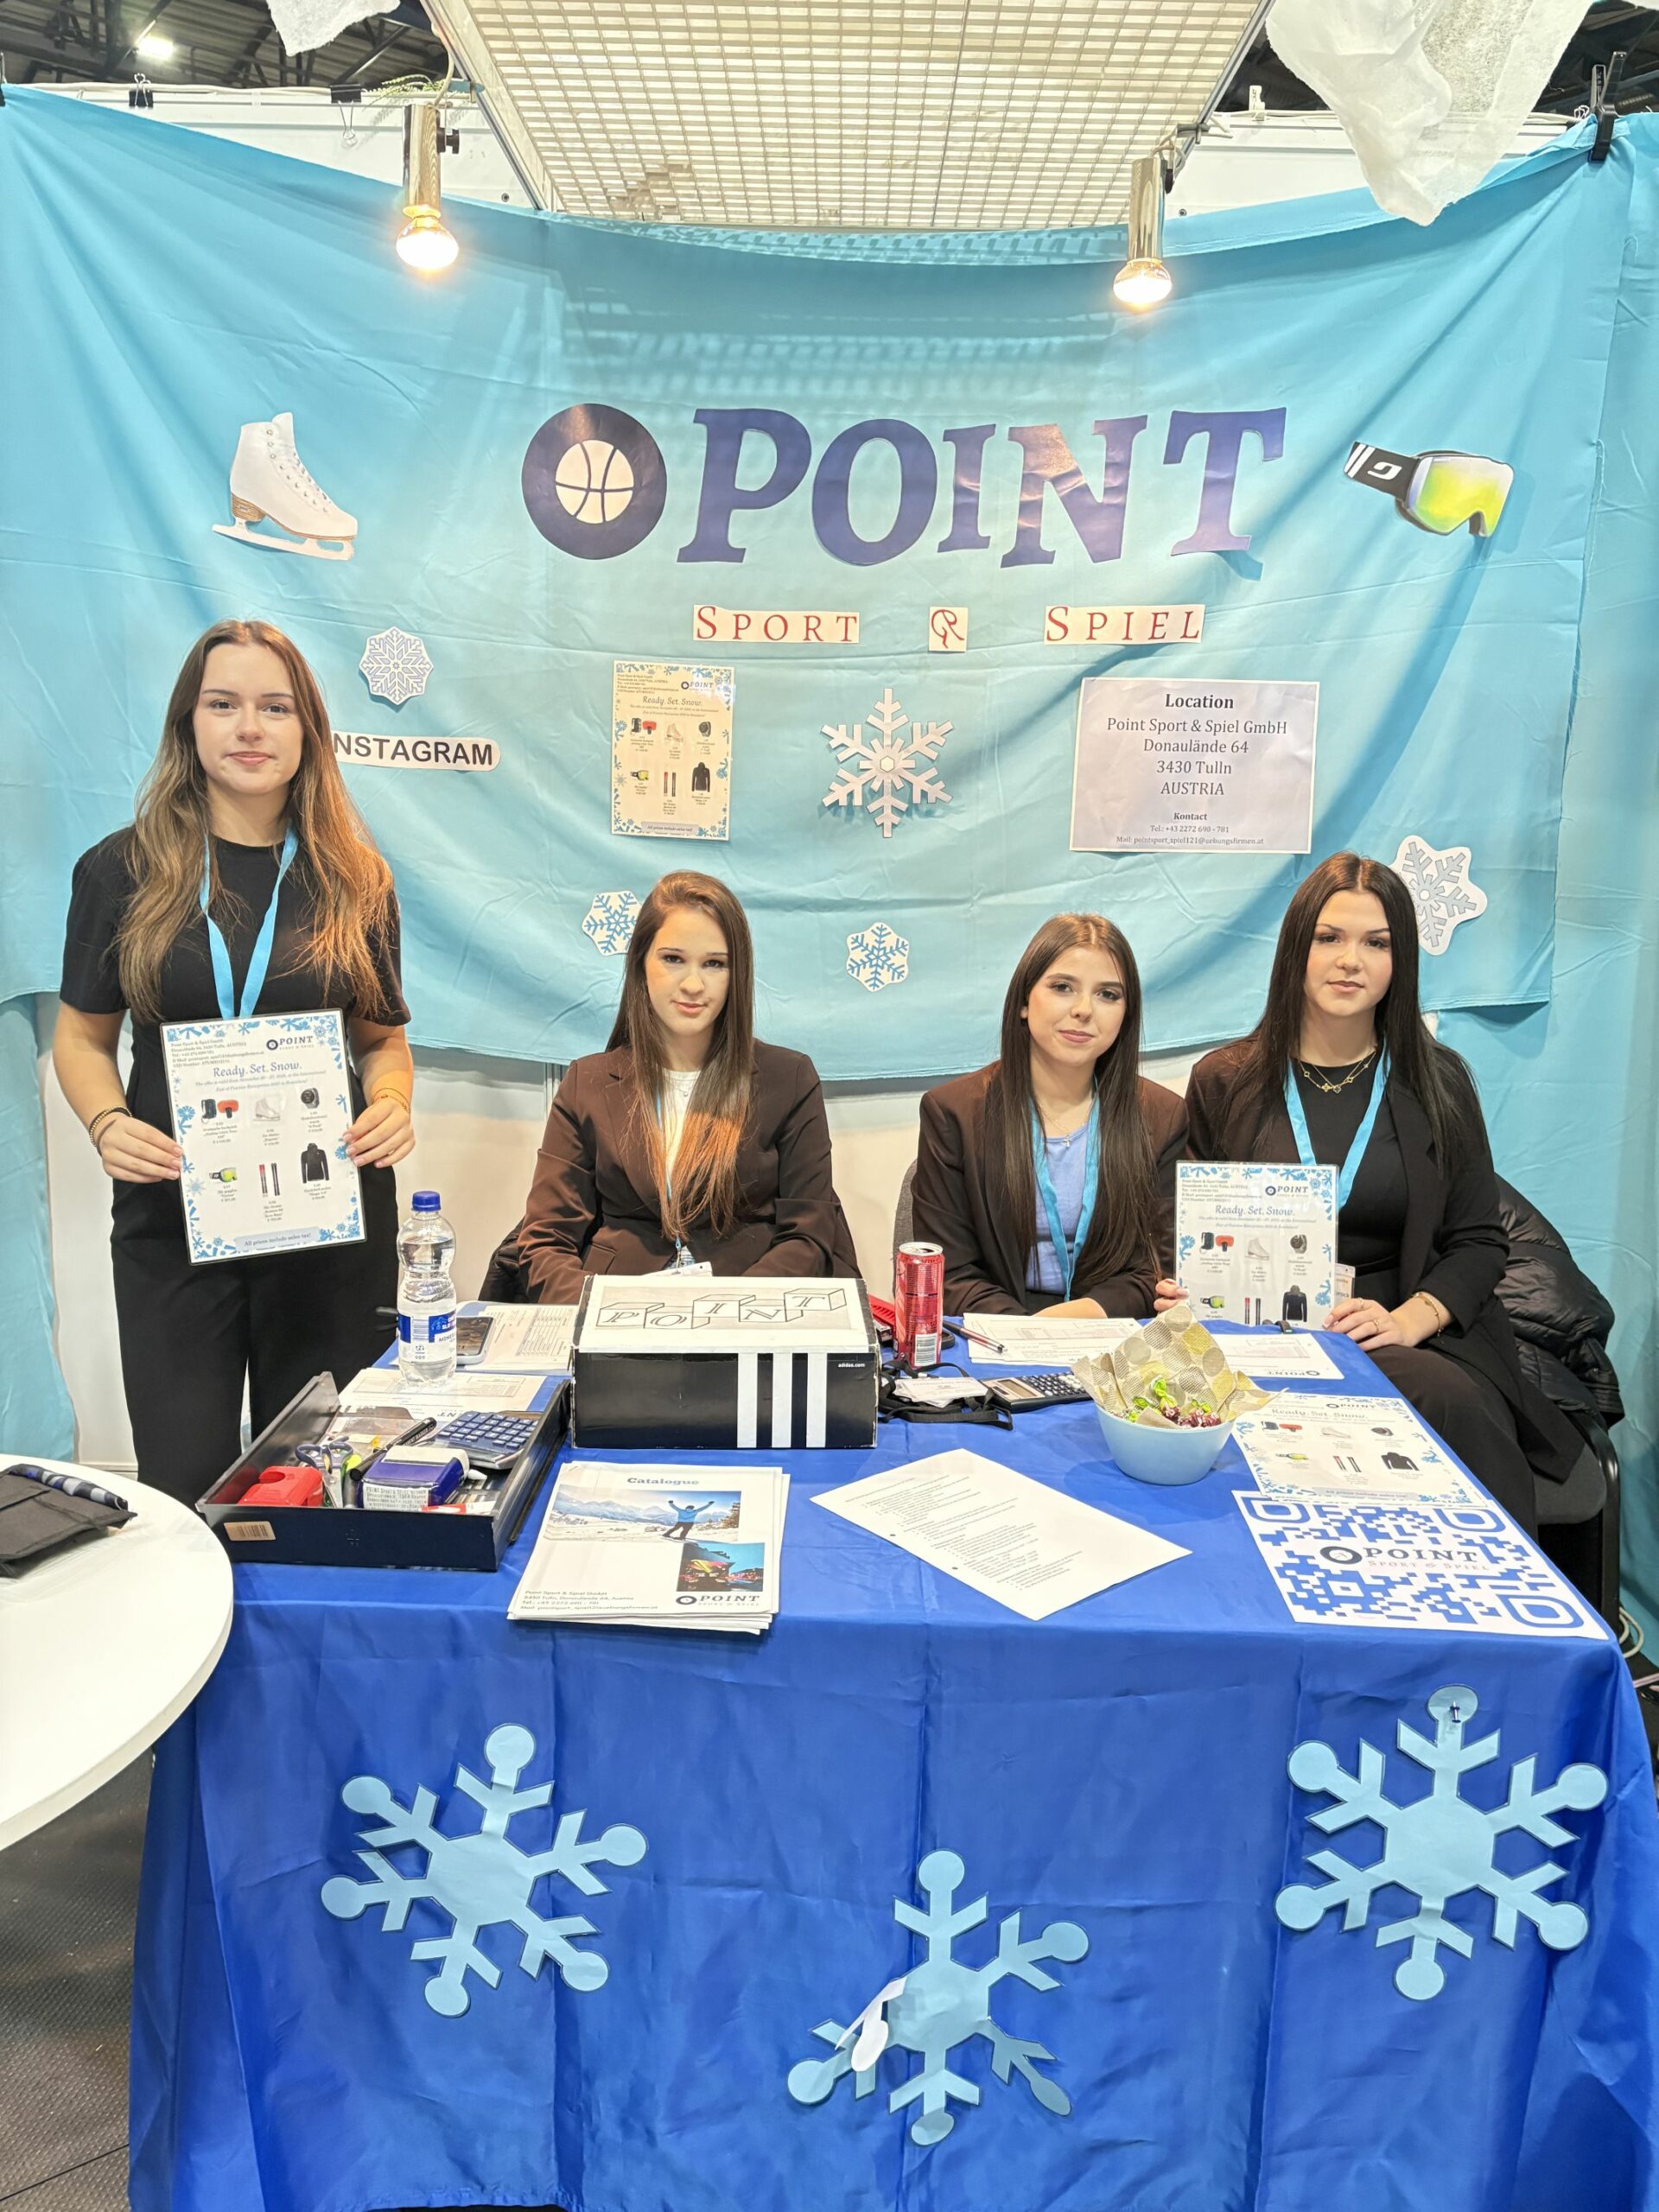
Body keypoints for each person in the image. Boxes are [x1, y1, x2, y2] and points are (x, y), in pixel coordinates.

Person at [54, 619, 414, 1505]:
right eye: (224, 704)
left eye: (275, 707)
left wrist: (394, 1103)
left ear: (308, 731)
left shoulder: (358, 879)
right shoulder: (120, 870)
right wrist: (106, 1121)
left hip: (327, 1221)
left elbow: (381, 1040)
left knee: (323, 1486)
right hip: (174, 1219)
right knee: (184, 1487)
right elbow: (83, 1038)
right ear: (189, 722)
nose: (250, 728)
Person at [1168, 851, 1582, 1535]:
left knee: (1449, 1402)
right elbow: (1189, 1222)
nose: (1349, 961)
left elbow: (1479, 1242)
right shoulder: (1224, 1079)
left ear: (1401, 961)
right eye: (1329, 937)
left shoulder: (1439, 1082)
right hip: (1256, 1327)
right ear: (1295, 950)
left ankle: (1489, 1589)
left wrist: (1410, 1320)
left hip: (1400, 1326)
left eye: (1377, 943)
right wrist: (1186, 1283)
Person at [518, 870, 855, 1301]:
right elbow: (546, 1243)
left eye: (714, 964)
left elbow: (808, 1236)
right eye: (673, 959)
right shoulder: (587, 1083)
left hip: (748, 1312)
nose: (693, 984)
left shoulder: (789, 1079)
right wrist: (609, 1311)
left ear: (737, 974)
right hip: (620, 1314)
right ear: (641, 963)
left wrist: (723, 1313)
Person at [911, 914, 1185, 1317]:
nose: (1083, 1010)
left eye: (1108, 994)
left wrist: (1075, 1320)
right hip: (993, 1327)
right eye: (1062, 987)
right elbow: (948, 1272)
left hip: (1109, 1323)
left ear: (1126, 1013)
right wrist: (1030, 1333)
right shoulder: (953, 1113)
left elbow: (1157, 1267)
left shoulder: (1162, 1116)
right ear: (1024, 1001)